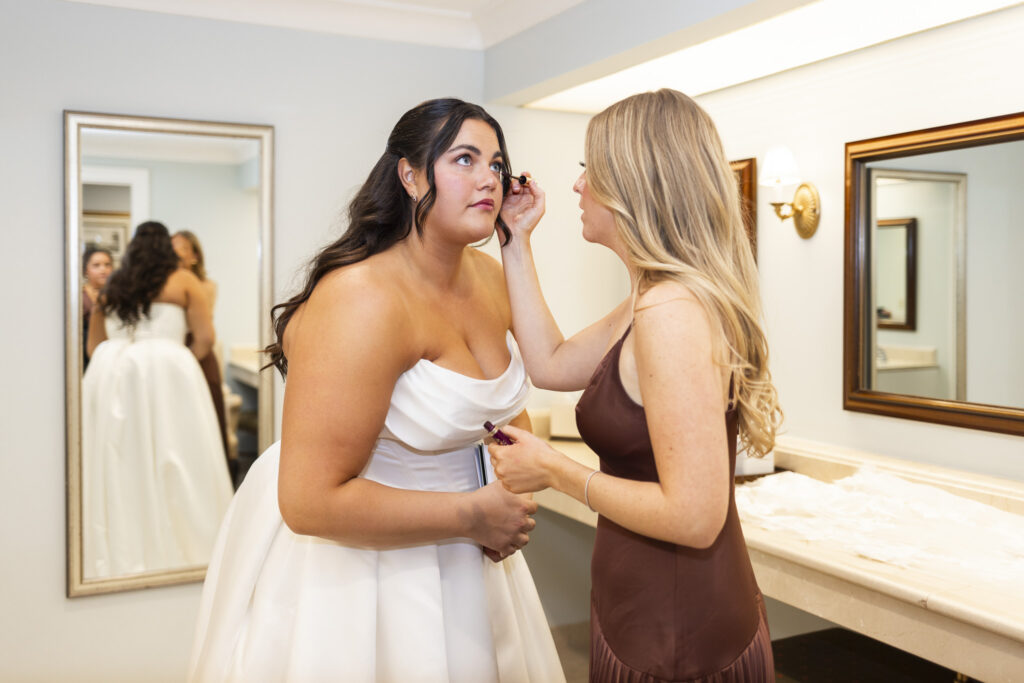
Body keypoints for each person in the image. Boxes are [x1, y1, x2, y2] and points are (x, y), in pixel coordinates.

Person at [188, 99, 565, 683]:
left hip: (474, 554)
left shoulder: (492, 277)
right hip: (369, 567)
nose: (489, 178)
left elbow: (510, 412)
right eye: (464, 159)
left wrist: (507, 497)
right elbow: (308, 502)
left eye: (496, 163)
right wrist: (472, 515)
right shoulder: (360, 298)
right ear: (410, 175)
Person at [489, 89, 782, 682]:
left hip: (679, 640)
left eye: (587, 169)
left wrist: (555, 471)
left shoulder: (669, 310)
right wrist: (516, 239)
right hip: (643, 613)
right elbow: (550, 362)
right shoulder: (650, 298)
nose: (576, 186)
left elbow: (696, 517)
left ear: (630, 183)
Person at [82, 221, 233, 579]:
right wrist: (175, 362)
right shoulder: (183, 281)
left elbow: (93, 346)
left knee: (122, 460)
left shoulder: (113, 285)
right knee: (178, 456)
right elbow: (205, 338)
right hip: (169, 379)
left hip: (115, 378)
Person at [173, 229, 230, 465]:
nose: (174, 252)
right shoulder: (164, 285)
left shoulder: (206, 285)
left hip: (199, 350)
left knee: (209, 410)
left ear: (194, 255)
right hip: (174, 351)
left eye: (182, 247)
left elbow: (201, 323)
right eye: (171, 247)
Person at [81, 245, 112, 368]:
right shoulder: (80, 298)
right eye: (96, 265)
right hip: (86, 360)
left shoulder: (118, 296)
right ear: (85, 270)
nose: (103, 270)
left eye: (107, 264)